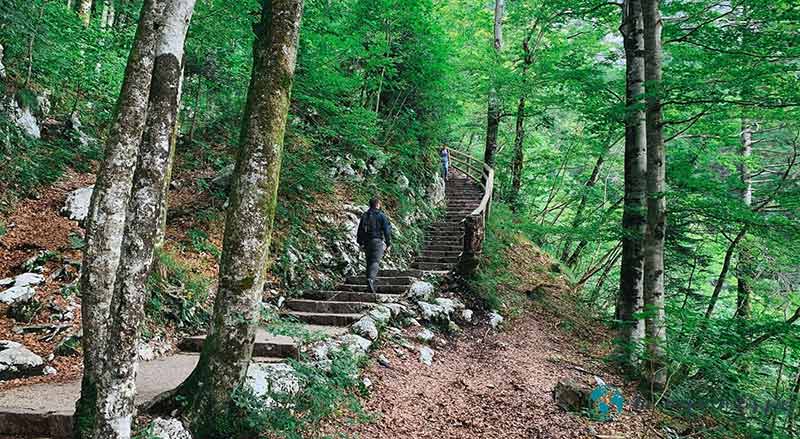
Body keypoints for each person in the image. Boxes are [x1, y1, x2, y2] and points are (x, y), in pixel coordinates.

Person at [356, 198, 392, 294]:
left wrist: (360, 243)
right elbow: (386, 230)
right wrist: (388, 243)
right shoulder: (381, 216)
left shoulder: (365, 216)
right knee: (375, 261)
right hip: (377, 241)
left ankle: (368, 285)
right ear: (377, 205)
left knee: (369, 262)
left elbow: (360, 230)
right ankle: (371, 280)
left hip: (367, 242)